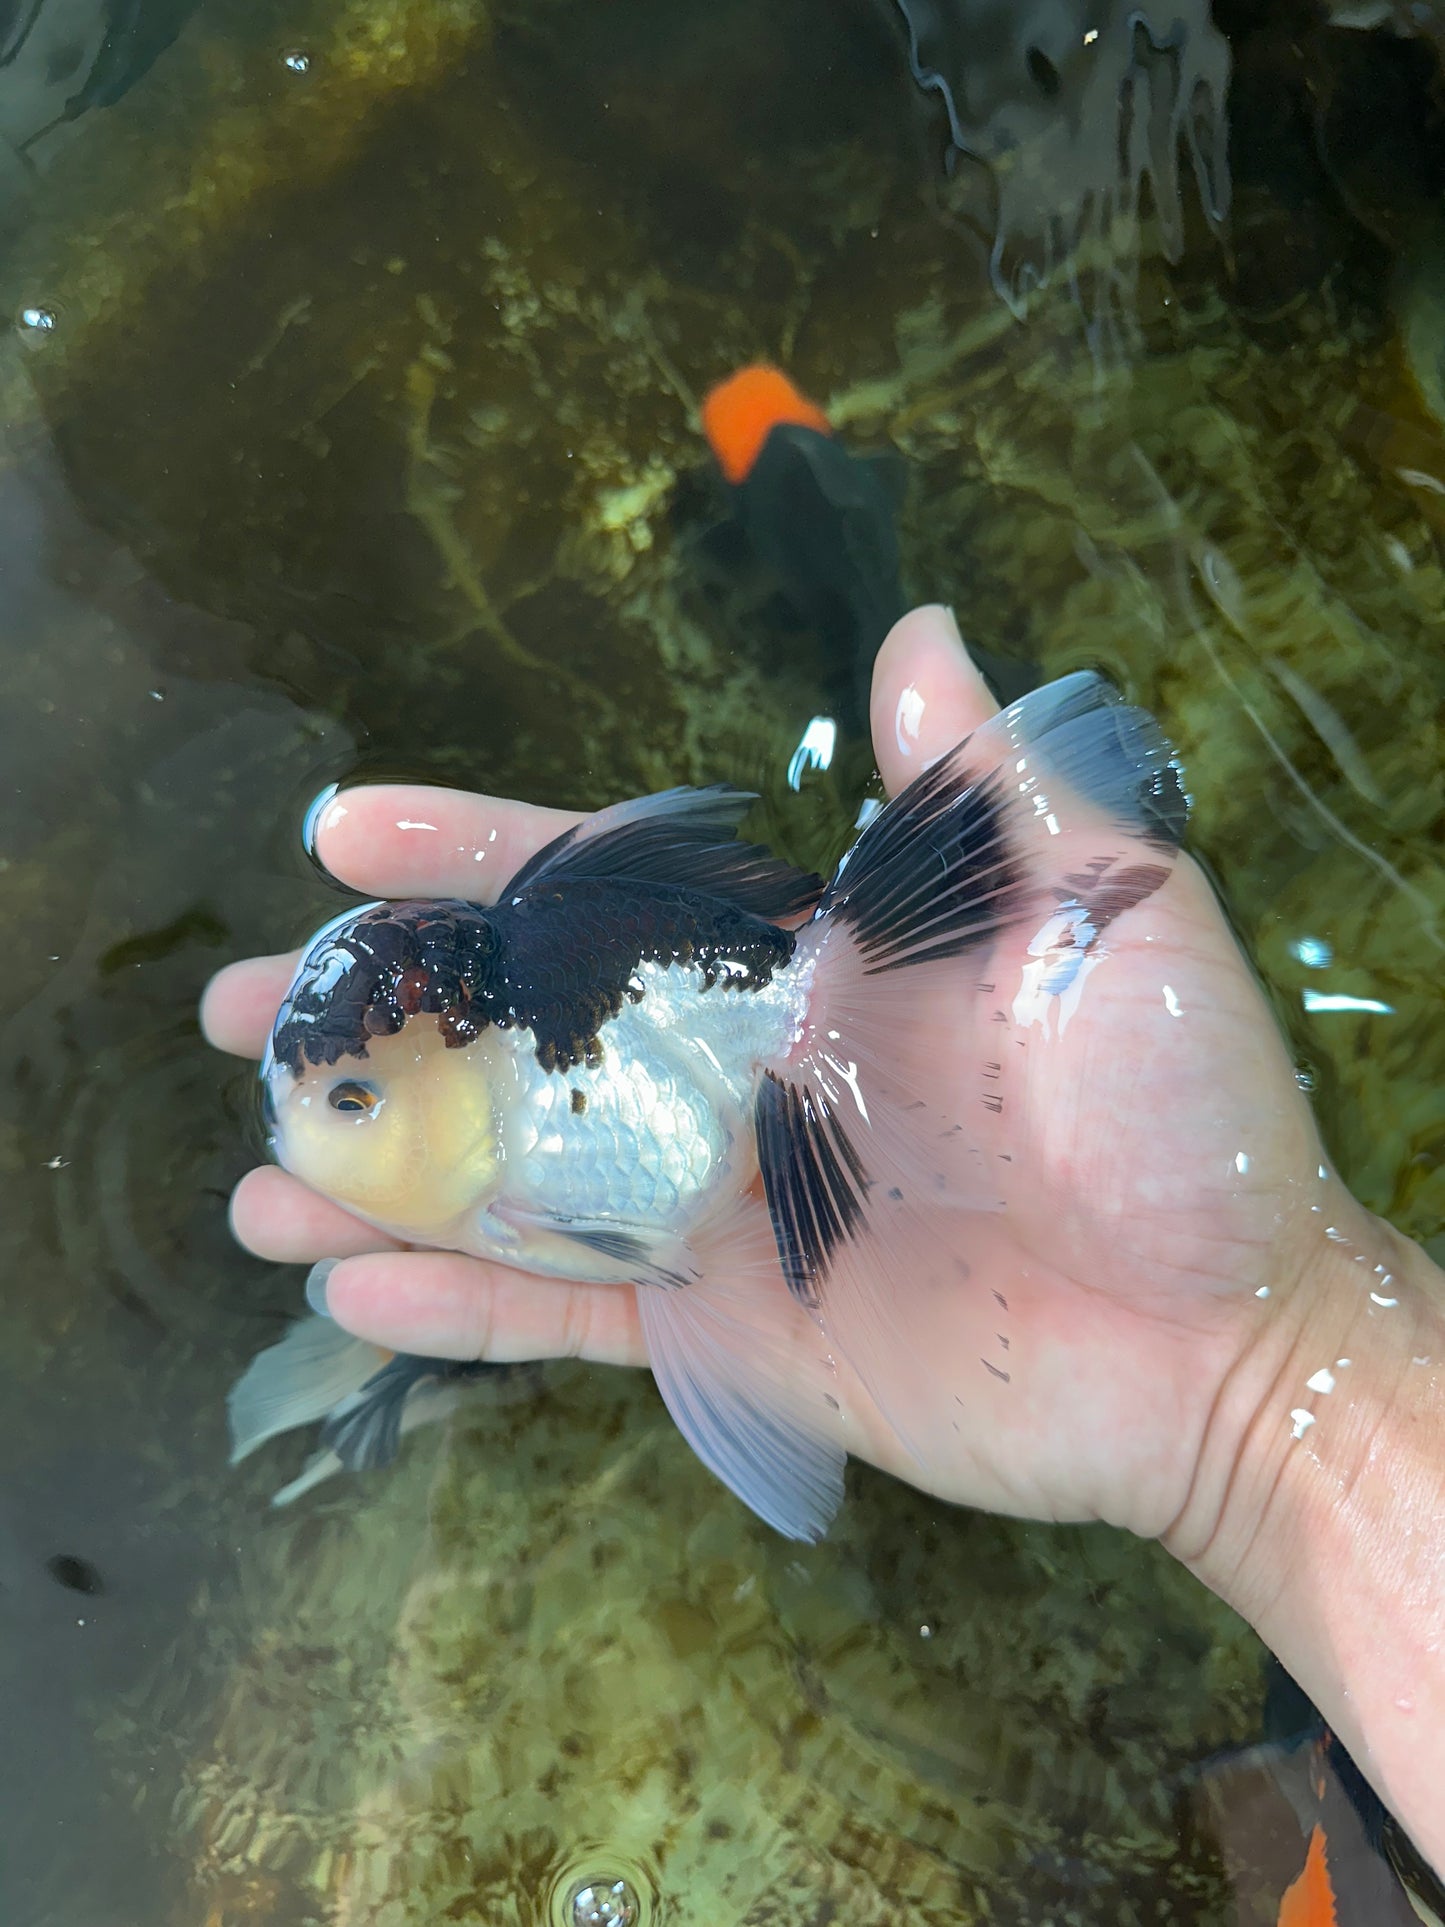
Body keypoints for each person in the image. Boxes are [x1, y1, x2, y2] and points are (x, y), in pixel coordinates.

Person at [202, 605, 1445, 1870]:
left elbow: (672, 1241)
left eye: (350, 1101)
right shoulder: (510, 1170)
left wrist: (1274, 1360)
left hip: (732, 1023)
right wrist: (1282, 1369)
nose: (313, 1130)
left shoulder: (520, 1185)